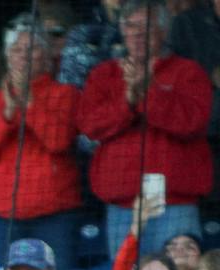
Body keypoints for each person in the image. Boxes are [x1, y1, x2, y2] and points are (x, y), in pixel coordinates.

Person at [77, 0, 212, 256]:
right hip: (122, 205)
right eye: (130, 26)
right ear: (122, 30)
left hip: (175, 203)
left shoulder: (188, 72)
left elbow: (191, 123)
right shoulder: (104, 74)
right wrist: (127, 100)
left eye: (146, 27)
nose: (137, 34)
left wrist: (148, 93)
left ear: (163, 31)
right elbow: (89, 125)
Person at [0, 20, 82, 270]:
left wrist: (29, 103)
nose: (23, 55)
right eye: (16, 49)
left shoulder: (66, 94)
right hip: (5, 212)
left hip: (54, 210)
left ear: (46, 57)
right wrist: (9, 112)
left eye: (32, 49)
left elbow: (58, 141)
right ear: (7, 57)